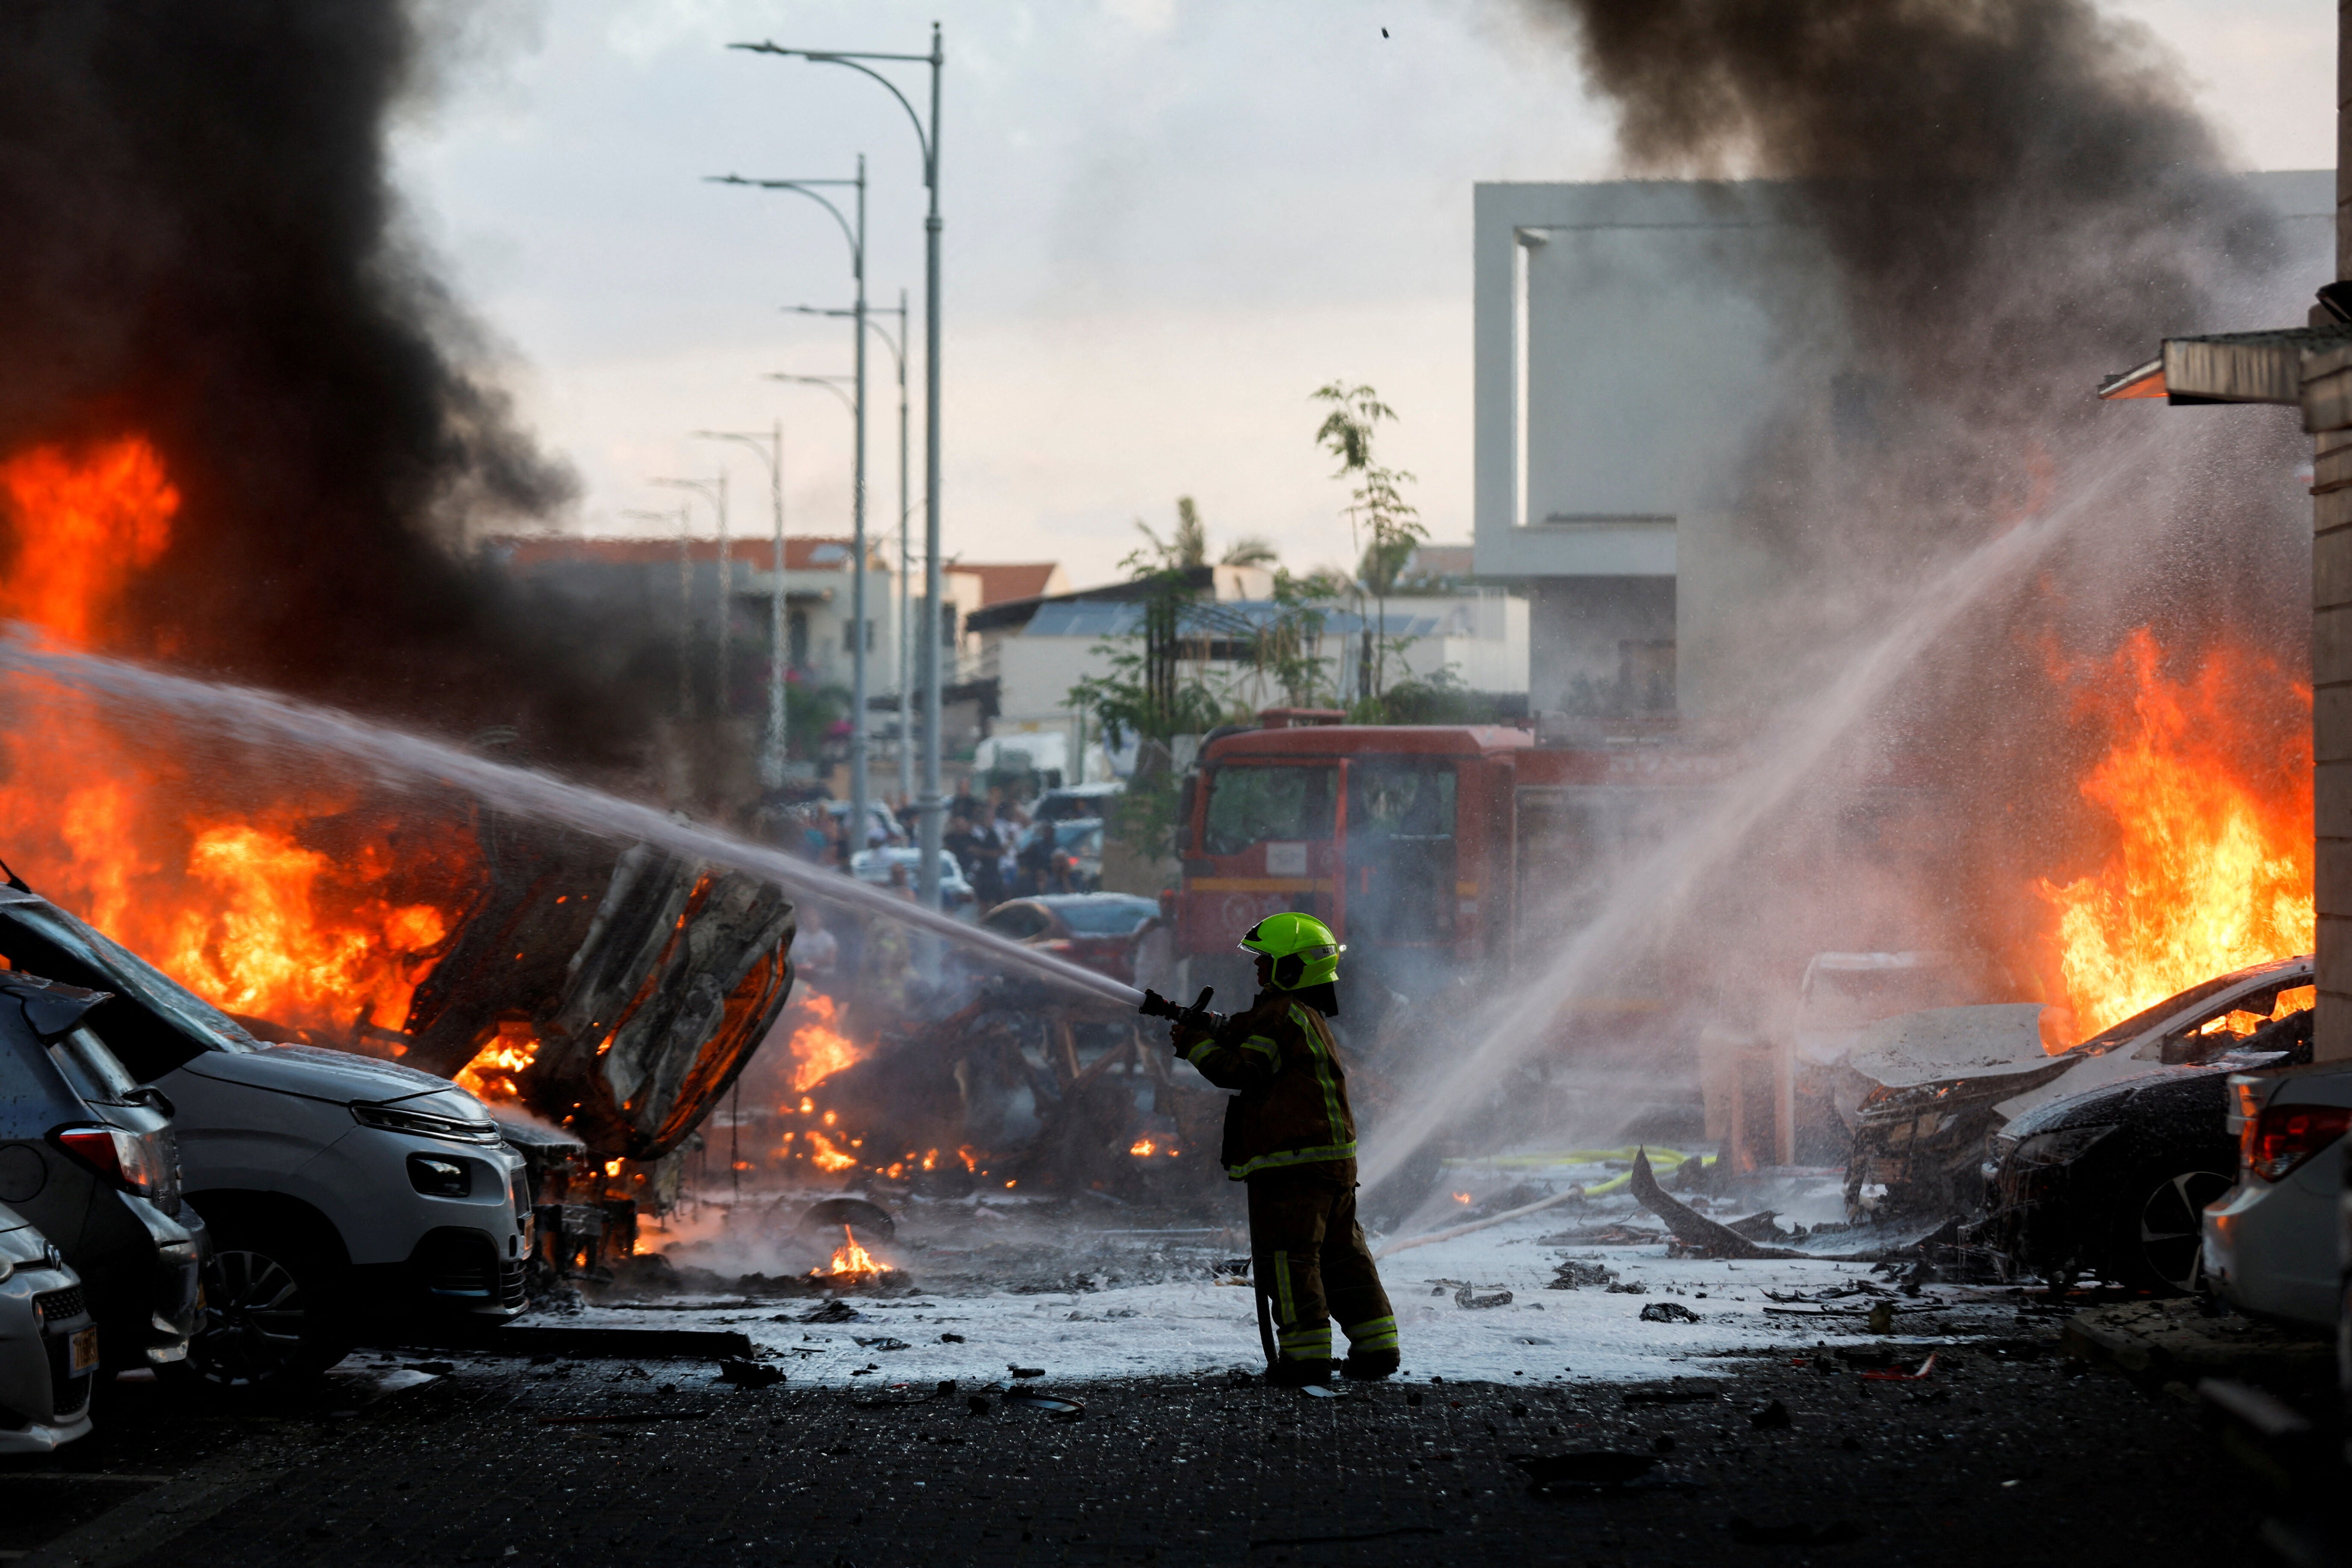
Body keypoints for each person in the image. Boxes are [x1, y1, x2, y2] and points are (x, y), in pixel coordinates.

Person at [1163, 912, 1399, 1386]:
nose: (1257, 970)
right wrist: (1211, 1024)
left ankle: (1304, 1358)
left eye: (1266, 961)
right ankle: (1376, 1348)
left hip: (1292, 1164)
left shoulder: (1279, 1014)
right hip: (1331, 1163)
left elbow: (1242, 1071)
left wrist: (1193, 1045)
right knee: (1342, 1255)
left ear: (1291, 969)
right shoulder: (1301, 1014)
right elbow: (1247, 1033)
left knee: (1291, 1260)